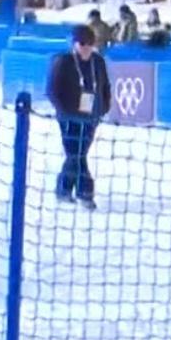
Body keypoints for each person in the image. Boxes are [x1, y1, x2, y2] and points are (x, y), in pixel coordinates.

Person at [45, 23, 112, 209]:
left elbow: (105, 86)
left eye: (90, 44)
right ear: (74, 44)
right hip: (69, 116)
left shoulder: (98, 62)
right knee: (76, 154)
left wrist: (104, 107)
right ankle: (84, 193)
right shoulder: (64, 61)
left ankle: (65, 190)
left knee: (78, 154)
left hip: (90, 117)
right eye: (82, 43)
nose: (86, 48)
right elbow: (52, 90)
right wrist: (63, 111)